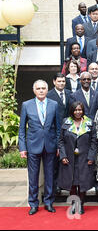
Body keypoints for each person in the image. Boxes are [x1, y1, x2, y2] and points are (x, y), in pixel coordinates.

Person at [19, 80, 61, 215]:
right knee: (33, 177)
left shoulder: (54, 104)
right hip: (33, 146)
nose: (41, 90)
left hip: (50, 145)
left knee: (50, 176)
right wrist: (22, 147)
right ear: (34, 90)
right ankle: (33, 203)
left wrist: (59, 146)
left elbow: (58, 128)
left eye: (43, 88)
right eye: (38, 88)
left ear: (47, 90)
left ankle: (48, 202)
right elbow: (21, 129)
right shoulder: (26, 105)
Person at [57, 101, 98, 215]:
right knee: (73, 183)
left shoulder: (89, 123)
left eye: (80, 110)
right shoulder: (66, 122)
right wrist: (63, 155)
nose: (77, 112)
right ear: (72, 111)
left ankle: (81, 204)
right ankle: (74, 204)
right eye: (75, 110)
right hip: (70, 159)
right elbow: (60, 141)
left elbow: (94, 142)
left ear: (83, 111)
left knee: (82, 183)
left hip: (84, 159)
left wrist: (91, 157)